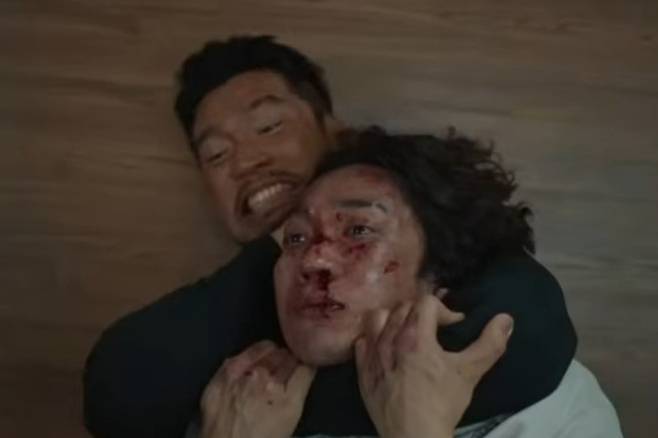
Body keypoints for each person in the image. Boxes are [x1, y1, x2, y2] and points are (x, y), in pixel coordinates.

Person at [83, 36, 577, 438]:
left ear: (333, 129)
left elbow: (529, 326)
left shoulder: (540, 391)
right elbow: (118, 394)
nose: (246, 161)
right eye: (215, 155)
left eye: (269, 126)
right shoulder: (225, 395)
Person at [195, 128, 622, 438]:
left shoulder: (560, 410)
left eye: (358, 230)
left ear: (438, 270)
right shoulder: (236, 403)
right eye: (295, 238)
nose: (314, 259)